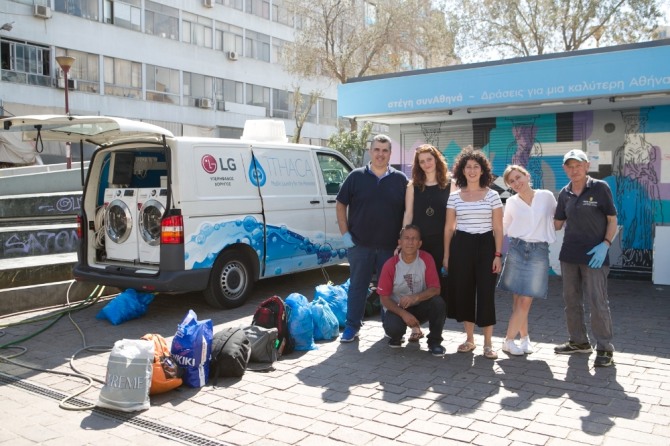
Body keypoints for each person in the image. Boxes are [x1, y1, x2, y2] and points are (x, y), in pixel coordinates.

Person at [336, 134, 408, 343]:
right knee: (358, 287)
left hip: (389, 247)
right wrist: (345, 235)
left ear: (390, 154)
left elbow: (407, 211)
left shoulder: (400, 180)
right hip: (360, 246)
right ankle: (352, 327)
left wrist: (402, 240)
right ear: (370, 151)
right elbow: (341, 204)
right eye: (377, 149)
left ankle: (390, 327)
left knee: (390, 289)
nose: (380, 154)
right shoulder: (355, 176)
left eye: (385, 150)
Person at [554, 149, 618, 367]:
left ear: (587, 166)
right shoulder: (564, 193)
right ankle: (579, 342)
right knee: (571, 301)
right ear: (564, 168)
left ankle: (605, 348)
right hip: (570, 254)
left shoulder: (600, 188)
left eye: (578, 165)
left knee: (597, 301)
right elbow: (557, 223)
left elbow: (612, 220)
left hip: (595, 256)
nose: (574, 170)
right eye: (569, 166)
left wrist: (606, 245)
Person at [443, 146, 503, 360]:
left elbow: (498, 228)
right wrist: (447, 255)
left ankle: (488, 344)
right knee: (465, 293)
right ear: (462, 170)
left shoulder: (493, 195)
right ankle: (470, 339)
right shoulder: (455, 197)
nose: (472, 170)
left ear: (483, 170)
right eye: (468, 167)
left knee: (486, 294)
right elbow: (449, 229)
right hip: (462, 246)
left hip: (487, 246)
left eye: (476, 166)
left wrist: (498, 255)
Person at [497, 165, 556, 356]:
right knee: (518, 301)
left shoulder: (546, 196)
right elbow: (503, 227)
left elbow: (558, 218)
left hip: (539, 251)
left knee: (525, 300)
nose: (516, 183)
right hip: (517, 249)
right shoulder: (512, 202)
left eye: (518, 177)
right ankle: (524, 339)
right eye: (511, 182)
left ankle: (508, 341)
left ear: (527, 175)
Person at [402, 144, 451, 342]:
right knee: (414, 285)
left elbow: (451, 220)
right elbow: (409, 215)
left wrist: (448, 251)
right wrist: (403, 241)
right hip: (418, 244)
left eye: (429, 159)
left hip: (441, 243)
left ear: (437, 159)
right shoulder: (413, 185)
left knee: (439, 288)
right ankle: (415, 328)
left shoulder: (450, 184)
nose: (426, 164)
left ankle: (436, 332)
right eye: (421, 161)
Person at [377, 224, 447, 356]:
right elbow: (384, 298)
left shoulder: (427, 259)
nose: (410, 242)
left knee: (438, 303)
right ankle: (397, 336)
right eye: (406, 238)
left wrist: (415, 297)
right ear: (400, 242)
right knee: (394, 328)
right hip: (398, 309)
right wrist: (404, 314)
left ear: (420, 243)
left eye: (414, 239)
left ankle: (435, 342)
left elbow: (436, 289)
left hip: (420, 306)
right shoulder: (390, 265)